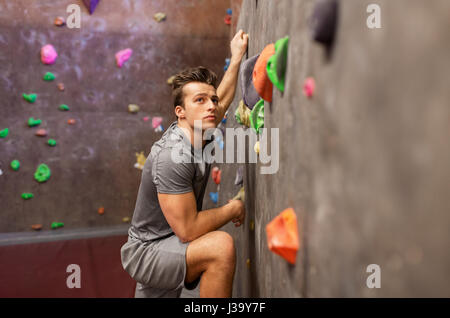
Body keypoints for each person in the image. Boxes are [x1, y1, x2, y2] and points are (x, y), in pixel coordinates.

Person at [121, 30, 249, 298]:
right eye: (199, 100)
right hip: (149, 251)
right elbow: (188, 229)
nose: (211, 106)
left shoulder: (201, 127)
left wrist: (236, 57)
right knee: (220, 247)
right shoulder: (171, 156)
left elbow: (222, 102)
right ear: (180, 112)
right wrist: (232, 208)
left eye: (211, 99)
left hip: (171, 242)